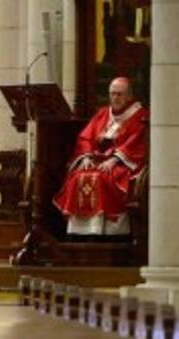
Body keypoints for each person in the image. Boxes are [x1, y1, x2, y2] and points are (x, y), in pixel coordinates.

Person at [53, 77, 149, 237]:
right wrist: (85, 157)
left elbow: (137, 143)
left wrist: (115, 159)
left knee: (103, 178)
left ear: (129, 96)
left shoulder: (140, 115)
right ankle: (80, 231)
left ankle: (105, 231)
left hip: (122, 164)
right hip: (98, 161)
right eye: (112, 94)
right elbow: (85, 138)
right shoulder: (104, 113)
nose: (115, 98)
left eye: (120, 94)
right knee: (78, 176)